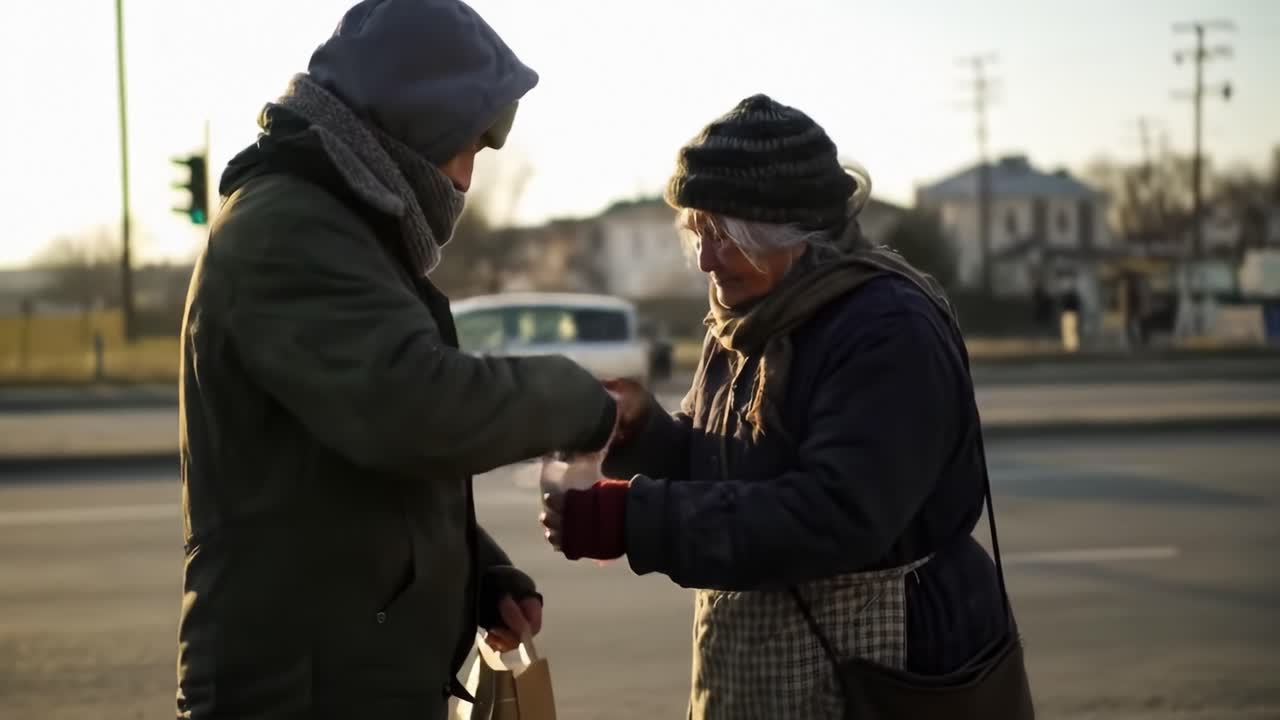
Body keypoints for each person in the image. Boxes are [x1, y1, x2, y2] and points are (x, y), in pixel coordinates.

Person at [176, 2, 617, 718]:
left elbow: (352, 477)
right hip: (296, 695)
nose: (468, 179)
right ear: (417, 121)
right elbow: (411, 407)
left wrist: (476, 575)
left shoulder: (346, 228)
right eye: (465, 146)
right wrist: (576, 399)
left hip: (343, 677)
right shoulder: (289, 228)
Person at [541, 95, 1012, 719]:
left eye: (725, 236)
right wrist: (642, 432)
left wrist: (634, 520)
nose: (707, 259)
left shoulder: (887, 327)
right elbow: (730, 464)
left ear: (792, 234)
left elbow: (835, 514)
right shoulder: (746, 312)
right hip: (765, 657)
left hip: (882, 670)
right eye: (698, 234)